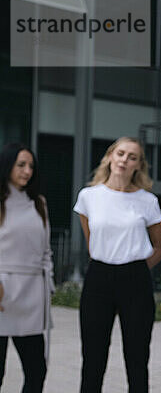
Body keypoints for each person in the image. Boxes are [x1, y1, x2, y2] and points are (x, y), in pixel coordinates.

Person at [73, 136, 161, 393]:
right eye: (121, 154)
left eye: (132, 157)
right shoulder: (89, 196)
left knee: (137, 358)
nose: (125, 160)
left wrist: (135, 266)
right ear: (110, 157)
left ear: (139, 165)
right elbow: (92, 240)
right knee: (93, 357)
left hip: (135, 278)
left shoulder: (147, 201)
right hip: (99, 277)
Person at [0, 143, 53, 393]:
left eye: (31, 165)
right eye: (21, 165)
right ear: (7, 165)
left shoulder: (39, 203)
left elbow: (46, 251)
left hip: (32, 293)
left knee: (36, 370)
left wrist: (48, 285)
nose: (27, 171)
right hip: (1, 292)